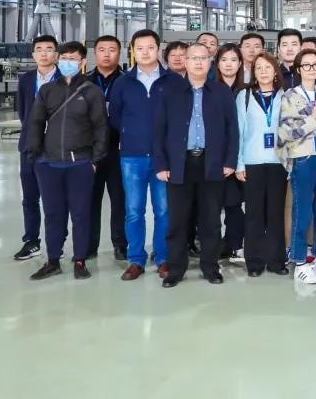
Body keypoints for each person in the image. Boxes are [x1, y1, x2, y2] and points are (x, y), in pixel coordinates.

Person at [154, 42, 239, 287]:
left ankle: (210, 267)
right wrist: (161, 164)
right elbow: (159, 130)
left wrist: (229, 161)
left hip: (212, 164)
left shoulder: (221, 92)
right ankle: (176, 268)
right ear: (186, 61)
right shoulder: (170, 92)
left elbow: (232, 129)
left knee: (210, 220)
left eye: (203, 58)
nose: (199, 62)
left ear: (210, 62)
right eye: (194, 58)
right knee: (178, 221)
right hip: (179, 164)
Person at [25, 41, 109, 280]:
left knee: (81, 214)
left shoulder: (92, 91)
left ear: (82, 62)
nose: (67, 63)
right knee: (53, 214)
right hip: (49, 164)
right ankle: (52, 260)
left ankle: (80, 260)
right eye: (64, 58)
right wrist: (35, 155)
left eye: (73, 59)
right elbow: (35, 123)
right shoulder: (47, 90)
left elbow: (101, 127)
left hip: (80, 164)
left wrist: (95, 159)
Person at [109, 29, 175, 281]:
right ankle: (135, 259)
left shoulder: (172, 81)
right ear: (133, 51)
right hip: (132, 156)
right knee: (134, 210)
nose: (145, 52)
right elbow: (115, 116)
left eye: (150, 47)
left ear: (158, 49)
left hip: (163, 157)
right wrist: (131, 133)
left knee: (163, 210)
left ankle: (163, 257)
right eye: (140, 48)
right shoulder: (123, 82)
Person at [278, 48, 316, 285]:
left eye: (315, 65)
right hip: (303, 157)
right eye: (306, 65)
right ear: (298, 69)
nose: (311, 69)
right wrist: (313, 119)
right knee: (302, 210)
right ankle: (299, 260)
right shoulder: (290, 96)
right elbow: (286, 132)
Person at [235, 52, 289, 277]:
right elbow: (238, 131)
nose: (264, 71)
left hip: (279, 163)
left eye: (268, 67)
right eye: (259, 68)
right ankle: (254, 262)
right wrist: (239, 163)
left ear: (275, 71)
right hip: (252, 162)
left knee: (276, 213)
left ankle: (276, 261)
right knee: (254, 214)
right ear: (253, 73)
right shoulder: (244, 96)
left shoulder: (286, 96)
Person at [13, 34, 60, 261]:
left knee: (55, 199)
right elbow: (23, 111)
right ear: (33, 54)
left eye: (49, 49)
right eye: (39, 49)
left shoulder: (65, 78)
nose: (44, 53)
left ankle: (57, 244)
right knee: (30, 198)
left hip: (57, 148)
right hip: (29, 148)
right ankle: (31, 241)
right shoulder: (26, 80)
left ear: (56, 54)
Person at [86, 35, 127, 261]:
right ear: (95, 54)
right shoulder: (84, 82)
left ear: (119, 53)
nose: (107, 54)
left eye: (112, 50)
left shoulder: (128, 81)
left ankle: (120, 244)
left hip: (119, 149)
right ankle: (88, 246)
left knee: (120, 200)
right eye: (102, 49)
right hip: (90, 151)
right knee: (89, 200)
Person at [213, 42, 246, 263]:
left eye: (233, 60)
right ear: (217, 64)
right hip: (215, 157)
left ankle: (234, 244)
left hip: (242, 156)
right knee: (213, 204)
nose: (228, 64)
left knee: (234, 203)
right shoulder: (209, 89)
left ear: (240, 63)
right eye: (224, 60)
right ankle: (214, 244)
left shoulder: (247, 90)